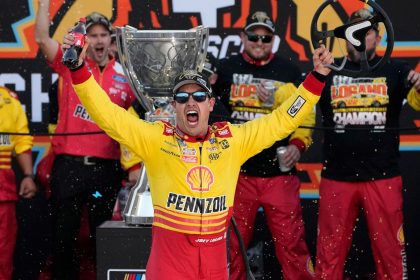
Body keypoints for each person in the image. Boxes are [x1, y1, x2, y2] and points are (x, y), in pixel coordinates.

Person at [62, 22, 333, 278]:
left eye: (199, 96)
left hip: (214, 271)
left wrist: (317, 78)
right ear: (175, 106)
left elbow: (283, 119)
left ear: (211, 104)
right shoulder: (157, 139)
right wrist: (78, 69)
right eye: (182, 97)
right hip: (169, 271)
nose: (191, 101)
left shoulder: (232, 140)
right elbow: (107, 115)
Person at [315, 8, 420, 279]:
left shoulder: (396, 69)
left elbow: (418, 104)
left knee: (391, 255)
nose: (360, 37)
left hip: (382, 177)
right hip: (337, 177)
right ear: (345, 37)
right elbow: (300, 109)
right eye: (354, 32)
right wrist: (315, 75)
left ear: (378, 36)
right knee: (328, 256)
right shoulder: (329, 70)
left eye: (367, 31)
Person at [35, 1, 136, 278]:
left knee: (103, 239)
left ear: (111, 40)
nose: (99, 40)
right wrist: (44, 3)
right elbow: (42, 38)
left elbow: (136, 124)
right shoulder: (71, 62)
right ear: (85, 39)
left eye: (104, 35)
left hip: (105, 171)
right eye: (93, 35)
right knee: (63, 240)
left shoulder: (126, 76)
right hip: (69, 168)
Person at [213, 11, 315, 279]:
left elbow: (305, 113)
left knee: (291, 244)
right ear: (242, 37)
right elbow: (210, 112)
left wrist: (298, 144)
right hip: (237, 174)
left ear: (274, 40)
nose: (259, 42)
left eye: (266, 38)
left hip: (278, 175)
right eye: (254, 36)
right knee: (231, 247)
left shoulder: (288, 70)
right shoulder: (224, 70)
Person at [0, 86, 37, 279]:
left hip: (3, 189)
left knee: (3, 252)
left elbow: (22, 142)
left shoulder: (9, 101)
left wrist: (28, 176)